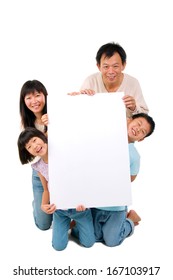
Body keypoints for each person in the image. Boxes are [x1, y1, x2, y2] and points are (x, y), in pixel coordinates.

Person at [17, 127, 95, 251]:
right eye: (29, 147)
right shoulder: (38, 166)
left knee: (89, 243)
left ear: (43, 137)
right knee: (58, 246)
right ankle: (71, 225)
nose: (35, 146)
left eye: (34, 140)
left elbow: (82, 178)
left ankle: (76, 225)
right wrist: (43, 204)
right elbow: (46, 189)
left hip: (80, 209)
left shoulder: (64, 152)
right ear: (28, 153)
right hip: (60, 211)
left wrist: (85, 201)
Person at [91, 113, 155, 247]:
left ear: (142, 139)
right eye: (138, 124)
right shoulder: (106, 138)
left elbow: (130, 179)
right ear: (129, 120)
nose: (138, 129)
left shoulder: (134, 156)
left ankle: (131, 219)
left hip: (116, 206)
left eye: (142, 131)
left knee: (112, 241)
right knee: (93, 237)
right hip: (95, 201)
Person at [70, 42, 149, 117]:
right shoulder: (91, 81)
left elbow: (145, 116)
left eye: (115, 66)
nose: (111, 72)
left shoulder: (133, 82)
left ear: (123, 65)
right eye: (106, 67)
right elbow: (78, 113)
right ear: (98, 66)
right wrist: (77, 99)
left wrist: (134, 107)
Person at [19, 80, 52, 230]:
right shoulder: (25, 124)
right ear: (24, 101)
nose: (34, 101)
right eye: (28, 98)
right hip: (41, 173)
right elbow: (31, 156)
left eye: (37, 95)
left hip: (61, 169)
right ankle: (36, 204)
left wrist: (55, 123)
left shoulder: (57, 114)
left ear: (45, 95)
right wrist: (45, 134)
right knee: (43, 224)